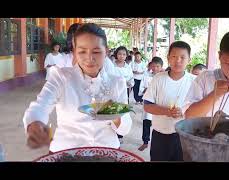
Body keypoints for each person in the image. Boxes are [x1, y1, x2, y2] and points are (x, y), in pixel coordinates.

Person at [23, 23, 132, 153]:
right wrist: (35, 124)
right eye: (82, 51)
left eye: (96, 51)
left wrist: (115, 115)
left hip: (107, 150)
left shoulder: (117, 82)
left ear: (107, 51)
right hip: (66, 151)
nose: (89, 58)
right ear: (74, 51)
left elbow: (124, 129)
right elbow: (40, 106)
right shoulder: (60, 77)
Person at [184, 30, 229, 121]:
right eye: (227, 63)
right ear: (219, 56)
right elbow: (189, 116)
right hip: (207, 134)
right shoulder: (205, 78)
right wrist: (214, 94)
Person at [143, 41, 196, 161]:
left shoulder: (194, 81)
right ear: (168, 58)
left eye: (182, 57)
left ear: (189, 60)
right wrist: (167, 111)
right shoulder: (158, 78)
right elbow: (147, 106)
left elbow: (200, 110)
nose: (178, 61)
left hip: (185, 136)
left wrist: (184, 113)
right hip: (160, 135)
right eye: (174, 57)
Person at [138, 57, 163, 151]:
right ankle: (145, 142)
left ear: (161, 67)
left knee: (159, 124)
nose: (155, 68)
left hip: (160, 104)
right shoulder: (147, 76)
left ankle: (158, 143)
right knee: (146, 122)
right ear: (151, 66)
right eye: (154, 66)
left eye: (158, 66)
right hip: (149, 103)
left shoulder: (164, 78)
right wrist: (144, 91)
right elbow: (142, 88)